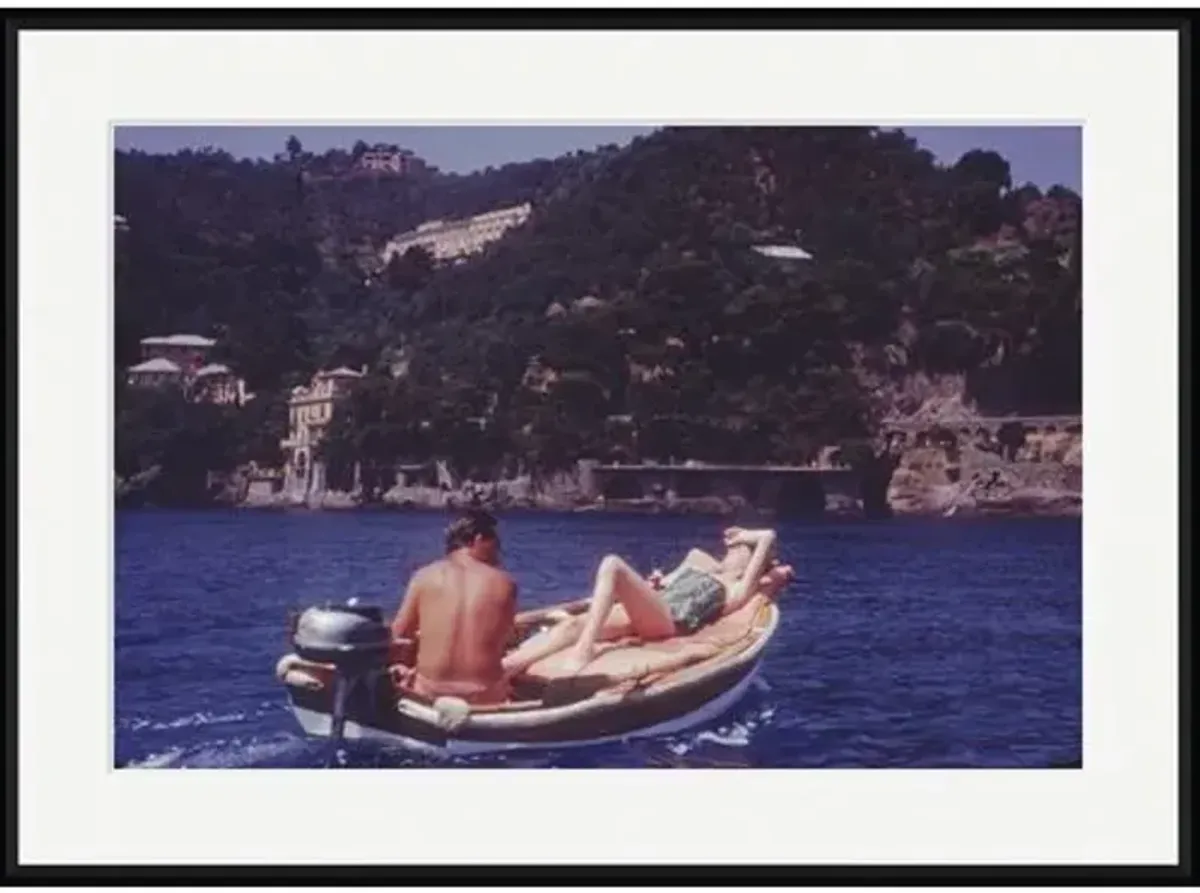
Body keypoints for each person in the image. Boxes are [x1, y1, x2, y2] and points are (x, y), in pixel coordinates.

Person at [502, 526, 791, 678]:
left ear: (752, 560)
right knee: (574, 624)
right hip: (652, 611)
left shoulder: (737, 586)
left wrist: (749, 536)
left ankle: (585, 650)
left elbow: (768, 536)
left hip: (668, 622)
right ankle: (507, 668)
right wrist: (655, 584)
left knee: (612, 564)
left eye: (741, 551)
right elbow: (666, 584)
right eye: (732, 549)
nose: (731, 553)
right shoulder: (699, 567)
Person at [390, 510, 517, 705]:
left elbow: (398, 638)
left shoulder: (425, 576)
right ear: (478, 539)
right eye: (496, 546)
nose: (498, 555)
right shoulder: (505, 582)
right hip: (484, 696)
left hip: (430, 693)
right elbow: (504, 640)